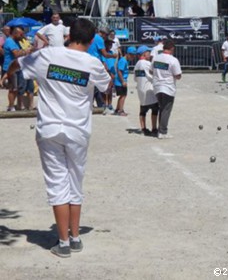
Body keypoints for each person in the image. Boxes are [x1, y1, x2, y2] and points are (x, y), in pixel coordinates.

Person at [5, 18, 110, 257]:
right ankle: (74, 237)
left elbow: (16, 64)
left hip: (50, 128)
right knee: (75, 180)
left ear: (68, 35)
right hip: (78, 130)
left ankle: (63, 242)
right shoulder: (92, 63)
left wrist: (6, 76)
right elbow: (106, 85)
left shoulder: (47, 56)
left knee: (57, 182)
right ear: (92, 40)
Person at [151, 39, 182, 139]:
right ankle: (163, 132)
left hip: (157, 86)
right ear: (172, 49)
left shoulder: (155, 58)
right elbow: (178, 75)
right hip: (168, 87)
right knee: (166, 110)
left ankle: (160, 129)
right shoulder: (173, 60)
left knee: (162, 108)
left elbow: (151, 71)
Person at [1, 26, 30, 111]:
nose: (22, 35)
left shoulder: (16, 41)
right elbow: (16, 54)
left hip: (18, 67)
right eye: (20, 34)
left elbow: (22, 49)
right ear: (15, 33)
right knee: (13, 88)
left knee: (18, 88)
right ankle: (11, 106)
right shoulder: (10, 41)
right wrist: (26, 51)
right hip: (10, 68)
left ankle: (17, 105)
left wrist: (24, 40)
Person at [134, 45, 159, 137]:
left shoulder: (137, 64)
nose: (150, 54)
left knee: (143, 110)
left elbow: (135, 79)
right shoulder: (146, 63)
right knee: (155, 109)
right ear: (144, 54)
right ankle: (154, 128)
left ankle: (143, 128)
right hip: (149, 89)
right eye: (148, 52)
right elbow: (151, 76)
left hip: (141, 90)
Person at [113, 46, 136, 116]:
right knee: (123, 96)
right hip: (120, 82)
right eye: (131, 55)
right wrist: (123, 81)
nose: (133, 57)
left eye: (133, 55)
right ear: (127, 54)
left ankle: (117, 109)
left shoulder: (125, 61)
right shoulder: (123, 60)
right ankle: (120, 110)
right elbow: (119, 71)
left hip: (121, 81)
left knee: (122, 96)